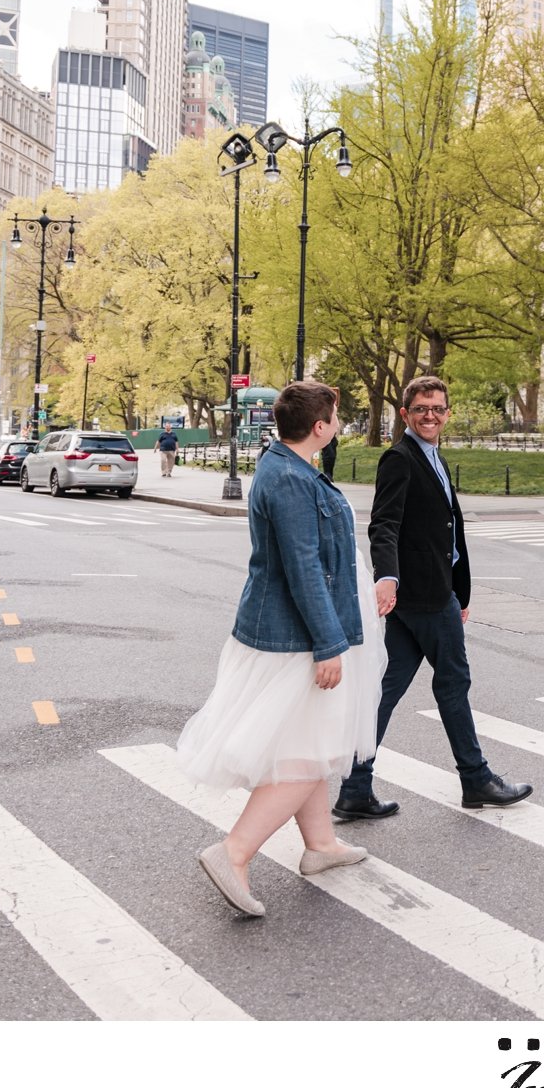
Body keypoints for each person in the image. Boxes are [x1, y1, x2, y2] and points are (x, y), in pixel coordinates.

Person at [174, 380, 383, 916]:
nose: (339, 423)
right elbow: (303, 569)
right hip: (296, 638)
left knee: (309, 742)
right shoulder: (289, 478)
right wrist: (328, 645)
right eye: (336, 415)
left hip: (294, 632)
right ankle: (234, 852)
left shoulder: (288, 467)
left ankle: (321, 845)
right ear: (320, 427)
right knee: (306, 751)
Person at [333, 375, 533, 821]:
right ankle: (475, 778)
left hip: (428, 594)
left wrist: (459, 590)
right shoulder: (399, 459)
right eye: (421, 409)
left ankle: (354, 788)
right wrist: (387, 576)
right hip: (421, 596)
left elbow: (449, 532)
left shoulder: (432, 456)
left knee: (386, 690)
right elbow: (383, 524)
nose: (430, 416)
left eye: (438, 409)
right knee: (453, 684)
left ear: (446, 413)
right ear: (405, 414)